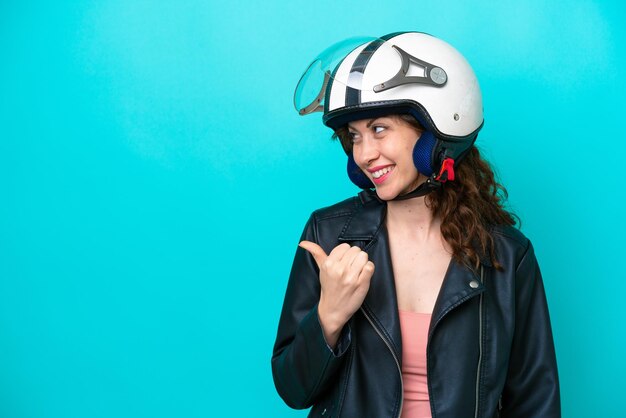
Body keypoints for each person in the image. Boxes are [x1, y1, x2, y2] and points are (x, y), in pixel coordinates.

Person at [271, 32, 560, 418]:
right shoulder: (328, 235)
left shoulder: (507, 255)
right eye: (353, 136)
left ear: (435, 133)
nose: (364, 155)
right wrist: (329, 316)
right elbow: (293, 390)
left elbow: (536, 401)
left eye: (378, 129)